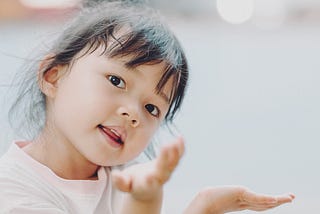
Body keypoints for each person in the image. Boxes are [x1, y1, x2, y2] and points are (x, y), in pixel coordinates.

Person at [0, 1, 294, 213]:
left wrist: (202, 207)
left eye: (152, 108)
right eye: (116, 80)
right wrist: (144, 200)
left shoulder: (126, 176)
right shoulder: (12, 192)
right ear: (53, 76)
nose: (133, 114)